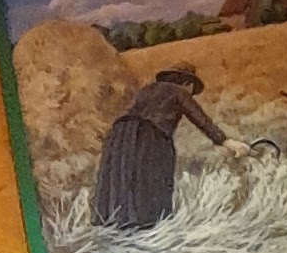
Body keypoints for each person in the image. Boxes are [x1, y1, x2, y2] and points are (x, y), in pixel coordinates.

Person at [91, 62, 225, 230]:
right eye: (192, 88)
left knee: (123, 175)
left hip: (120, 134)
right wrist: (224, 140)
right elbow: (199, 118)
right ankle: (148, 224)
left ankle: (114, 222)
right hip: (150, 135)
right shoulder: (179, 91)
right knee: (153, 178)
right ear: (187, 83)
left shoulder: (146, 90)